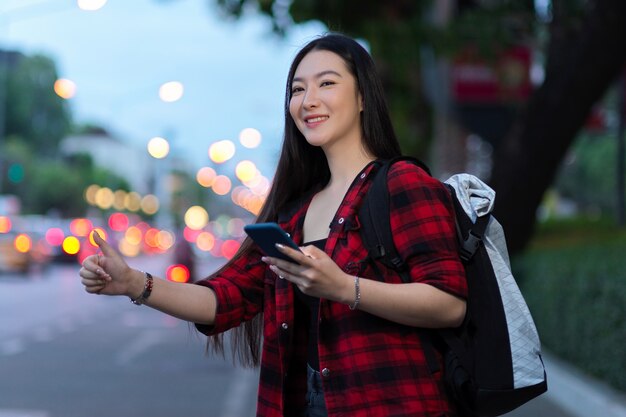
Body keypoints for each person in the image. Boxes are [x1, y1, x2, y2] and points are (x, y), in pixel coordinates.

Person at [79, 32, 467, 417]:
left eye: (326, 83)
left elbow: (448, 303)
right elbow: (223, 298)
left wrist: (343, 287)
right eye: (297, 90)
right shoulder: (294, 213)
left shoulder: (403, 183)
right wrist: (132, 283)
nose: (308, 100)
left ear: (363, 96)